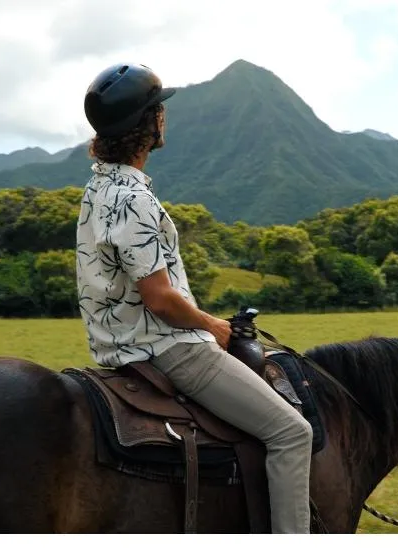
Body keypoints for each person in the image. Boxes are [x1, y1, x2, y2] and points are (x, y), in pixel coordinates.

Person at [76, 63, 313, 533]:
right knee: (292, 432)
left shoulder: (98, 187)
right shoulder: (133, 198)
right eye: (159, 110)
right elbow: (161, 299)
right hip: (171, 350)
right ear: (149, 125)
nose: (165, 116)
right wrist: (214, 325)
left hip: (119, 348)